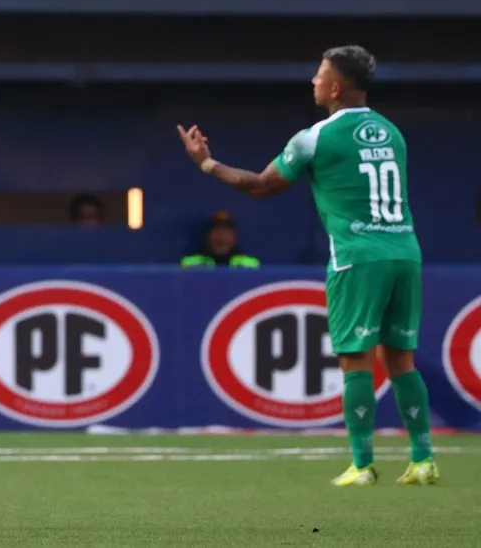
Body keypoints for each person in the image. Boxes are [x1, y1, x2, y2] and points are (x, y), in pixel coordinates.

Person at [177, 45, 436, 487]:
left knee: (356, 360)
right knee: (401, 359)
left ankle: (362, 466)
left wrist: (206, 163)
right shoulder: (392, 132)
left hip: (356, 257)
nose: (313, 81)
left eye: (319, 74)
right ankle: (423, 459)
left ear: (335, 87)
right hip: (405, 251)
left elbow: (260, 185)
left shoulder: (315, 137)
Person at [180, 211, 260, 268]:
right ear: (207, 236)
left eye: (226, 232)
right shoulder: (190, 264)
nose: (221, 238)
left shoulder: (249, 265)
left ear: (234, 237)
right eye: (217, 231)